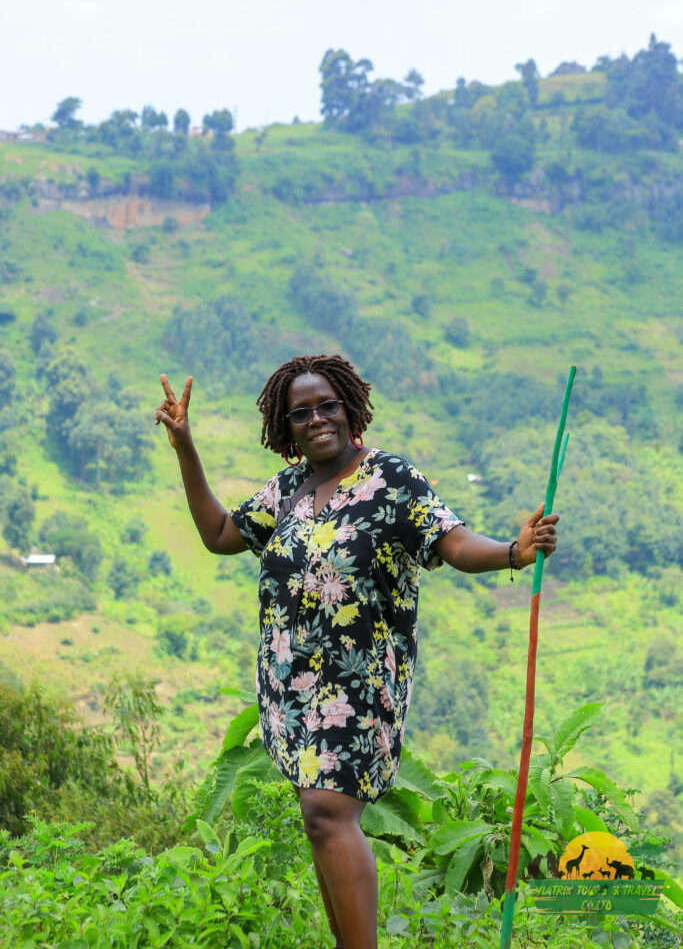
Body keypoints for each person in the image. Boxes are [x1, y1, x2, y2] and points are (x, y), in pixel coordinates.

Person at [155, 354, 559, 949]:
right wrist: (185, 446)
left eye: (327, 406)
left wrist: (512, 553)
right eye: (301, 413)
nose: (316, 419)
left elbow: (452, 542)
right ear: (286, 427)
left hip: (358, 683)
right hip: (290, 687)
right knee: (318, 820)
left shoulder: (391, 478)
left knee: (327, 812)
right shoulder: (289, 488)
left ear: (349, 410)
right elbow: (220, 535)